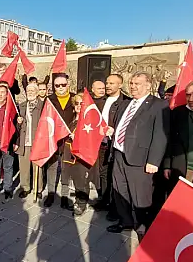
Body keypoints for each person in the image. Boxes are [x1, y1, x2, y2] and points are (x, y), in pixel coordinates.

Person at [105, 72, 169, 235]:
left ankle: (143, 227)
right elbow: (122, 126)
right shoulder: (126, 104)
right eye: (131, 83)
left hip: (140, 159)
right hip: (119, 154)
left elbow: (161, 135)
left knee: (140, 196)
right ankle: (125, 221)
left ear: (148, 85)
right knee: (120, 191)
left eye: (137, 83)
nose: (133, 86)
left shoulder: (158, 105)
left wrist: (154, 161)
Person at [93, 74, 130, 216]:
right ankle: (104, 200)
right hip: (102, 144)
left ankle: (115, 207)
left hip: (116, 145)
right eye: (107, 83)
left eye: (112, 83)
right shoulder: (102, 100)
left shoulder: (126, 102)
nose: (108, 86)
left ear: (120, 85)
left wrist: (115, 132)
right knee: (103, 173)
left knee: (115, 176)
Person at [43, 74, 75, 209]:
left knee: (66, 169)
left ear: (68, 84)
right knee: (52, 168)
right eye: (57, 85)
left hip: (69, 140)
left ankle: (64, 195)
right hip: (53, 139)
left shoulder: (75, 98)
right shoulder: (49, 100)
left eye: (63, 84)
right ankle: (51, 193)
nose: (61, 87)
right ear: (54, 87)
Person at [61, 94, 97, 215]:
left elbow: (92, 139)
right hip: (70, 156)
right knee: (76, 181)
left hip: (81, 157)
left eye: (82, 104)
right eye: (76, 103)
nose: (79, 106)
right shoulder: (72, 120)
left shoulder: (88, 121)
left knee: (82, 182)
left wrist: (77, 138)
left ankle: (82, 204)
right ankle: (77, 201)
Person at [17, 83, 43, 199]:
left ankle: (38, 188)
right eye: (28, 91)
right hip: (24, 141)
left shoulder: (43, 106)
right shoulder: (22, 106)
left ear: (37, 93)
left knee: (38, 167)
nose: (30, 93)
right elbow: (16, 128)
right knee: (24, 166)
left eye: (33, 90)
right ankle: (25, 187)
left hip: (37, 142)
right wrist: (18, 122)